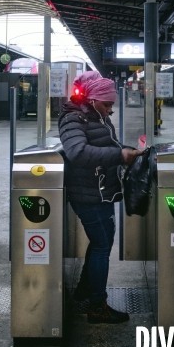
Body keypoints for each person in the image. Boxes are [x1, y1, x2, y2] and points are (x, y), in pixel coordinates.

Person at [58, 71, 142, 324]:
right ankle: (97, 306)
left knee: (100, 244)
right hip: (89, 195)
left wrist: (130, 151)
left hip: (101, 192)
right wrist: (120, 156)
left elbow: (108, 145)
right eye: (106, 104)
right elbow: (78, 152)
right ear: (93, 99)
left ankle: (86, 289)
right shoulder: (75, 119)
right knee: (102, 246)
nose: (109, 110)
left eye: (111, 105)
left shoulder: (96, 116)